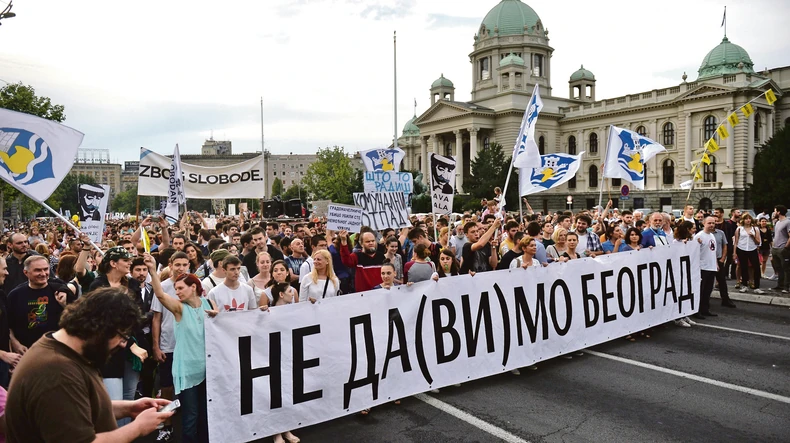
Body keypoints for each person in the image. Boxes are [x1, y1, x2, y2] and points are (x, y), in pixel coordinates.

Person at [5, 287, 174, 443]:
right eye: (122, 336)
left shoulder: (61, 350)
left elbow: (72, 407)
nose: (123, 344)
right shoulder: (56, 372)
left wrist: (127, 408)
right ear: (102, 328)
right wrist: (137, 428)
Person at [146, 255, 218, 443]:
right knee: (190, 416)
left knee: (205, 415)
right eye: (175, 289)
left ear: (193, 287)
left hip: (207, 369)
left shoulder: (209, 304)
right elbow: (161, 294)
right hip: (187, 371)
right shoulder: (179, 308)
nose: (176, 292)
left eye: (180, 288)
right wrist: (153, 270)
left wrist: (218, 316)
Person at [88, 247, 150, 427]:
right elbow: (101, 321)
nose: (129, 262)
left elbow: (136, 317)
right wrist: (129, 343)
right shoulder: (98, 285)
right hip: (109, 352)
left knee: (129, 399)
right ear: (113, 264)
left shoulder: (131, 285)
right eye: (125, 260)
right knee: (113, 401)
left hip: (133, 353)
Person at [150, 252, 191, 442]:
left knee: (189, 385)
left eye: (185, 264)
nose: (181, 268)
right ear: (171, 265)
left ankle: (185, 422)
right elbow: (156, 319)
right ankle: (166, 424)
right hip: (168, 344)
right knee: (167, 386)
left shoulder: (194, 286)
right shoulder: (163, 287)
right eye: (178, 264)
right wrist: (156, 346)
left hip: (189, 345)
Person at [7, 256, 76, 355]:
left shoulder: (60, 291)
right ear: (26, 273)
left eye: (45, 269)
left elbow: (78, 319)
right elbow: (8, 326)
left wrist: (64, 305)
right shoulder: (15, 295)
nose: (43, 274)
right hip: (27, 352)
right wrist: (15, 344)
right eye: (37, 270)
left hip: (58, 351)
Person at [693, 216, 720, 319]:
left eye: (713, 223)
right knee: (701, 290)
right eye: (709, 223)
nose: (711, 225)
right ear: (704, 223)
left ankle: (705, 309)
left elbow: (713, 252)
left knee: (708, 290)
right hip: (702, 267)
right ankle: (697, 310)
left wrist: (716, 264)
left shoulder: (712, 236)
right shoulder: (699, 236)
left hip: (711, 266)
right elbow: (695, 253)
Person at [0, 257, 21, 389]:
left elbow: (4, 329)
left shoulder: (1, 295)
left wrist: (13, 347)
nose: (7, 273)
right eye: (4, 269)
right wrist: (3, 354)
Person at [733, 213, 765, 294]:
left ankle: (757, 286)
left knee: (756, 267)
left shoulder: (755, 229)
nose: (748, 220)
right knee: (743, 267)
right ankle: (744, 285)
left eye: (749, 218)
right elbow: (736, 242)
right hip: (741, 249)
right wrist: (734, 252)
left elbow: (758, 242)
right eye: (746, 219)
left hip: (752, 249)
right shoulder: (739, 229)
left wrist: (753, 237)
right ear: (743, 220)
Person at [771, 205, 790, 293]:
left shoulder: (787, 222)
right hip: (775, 248)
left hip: (783, 248)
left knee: (786, 268)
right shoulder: (777, 222)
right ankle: (780, 285)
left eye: (775, 211)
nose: (774, 213)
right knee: (778, 268)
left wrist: (786, 247)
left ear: (778, 212)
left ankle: (786, 287)